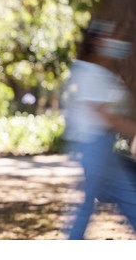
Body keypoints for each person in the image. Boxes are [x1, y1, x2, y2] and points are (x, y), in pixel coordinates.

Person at [62, 20, 136, 239]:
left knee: (128, 197)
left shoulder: (98, 72)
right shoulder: (88, 72)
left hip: (103, 148)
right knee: (86, 204)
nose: (114, 42)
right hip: (93, 145)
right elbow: (105, 116)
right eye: (108, 38)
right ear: (96, 42)